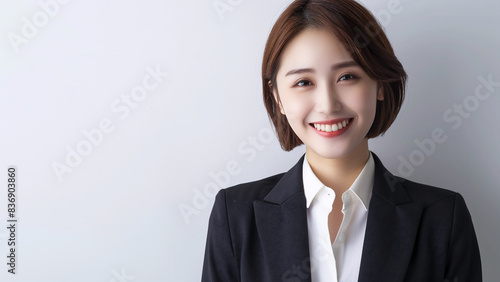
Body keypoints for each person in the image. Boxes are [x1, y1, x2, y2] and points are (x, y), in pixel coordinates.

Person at [201, 0, 482, 281]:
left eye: (347, 77)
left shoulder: (443, 217)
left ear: (380, 84)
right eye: (303, 82)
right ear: (278, 98)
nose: (327, 104)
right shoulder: (235, 214)